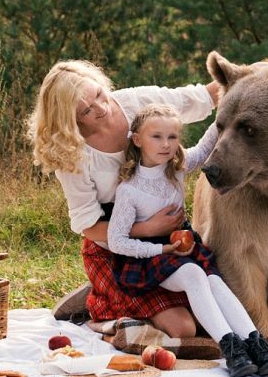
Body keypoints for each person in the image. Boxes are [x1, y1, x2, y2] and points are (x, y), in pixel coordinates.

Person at [29, 59, 218, 338]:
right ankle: (102, 309)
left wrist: (248, 77)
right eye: (87, 110)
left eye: (98, 94)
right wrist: (147, 229)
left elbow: (194, 98)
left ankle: (104, 295)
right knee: (184, 328)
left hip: (166, 240)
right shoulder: (71, 153)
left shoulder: (134, 102)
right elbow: (88, 225)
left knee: (212, 311)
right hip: (115, 248)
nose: (101, 108)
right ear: (70, 119)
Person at [107, 104, 268, 377]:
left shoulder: (175, 169)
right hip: (150, 256)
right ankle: (231, 349)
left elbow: (203, 149)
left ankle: (255, 343)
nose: (166, 145)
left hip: (184, 244)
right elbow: (117, 241)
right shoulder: (129, 190)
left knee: (214, 280)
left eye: (173, 137)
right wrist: (162, 248)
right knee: (192, 274)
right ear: (138, 139)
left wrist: (229, 107)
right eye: (157, 137)